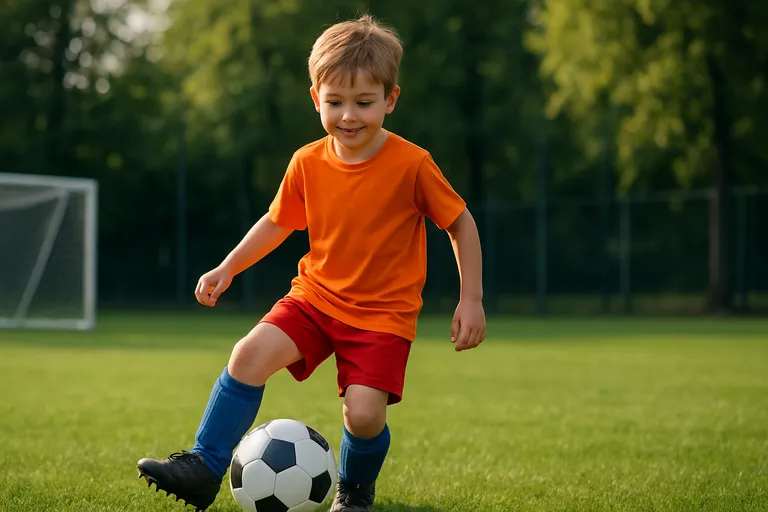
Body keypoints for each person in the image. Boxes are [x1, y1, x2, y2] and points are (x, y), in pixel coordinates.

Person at [137, 13, 486, 512]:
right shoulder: (307, 161)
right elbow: (278, 222)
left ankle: (355, 491)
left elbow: (461, 223)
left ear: (390, 100)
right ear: (315, 99)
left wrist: (470, 299)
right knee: (247, 356)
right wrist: (228, 266)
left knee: (364, 415)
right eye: (335, 102)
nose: (349, 116)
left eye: (365, 103)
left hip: (382, 316)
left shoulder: (412, 164)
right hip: (315, 298)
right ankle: (203, 465)